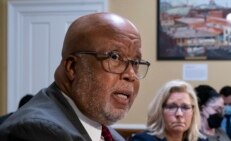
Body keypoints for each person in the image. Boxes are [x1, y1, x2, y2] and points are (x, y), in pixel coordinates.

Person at [0, 12, 150, 141]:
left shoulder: (106, 131)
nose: (131, 75)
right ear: (72, 67)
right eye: (115, 57)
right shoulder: (37, 131)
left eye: (136, 62)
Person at [130, 80, 205, 141]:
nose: (179, 114)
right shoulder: (143, 140)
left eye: (185, 107)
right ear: (160, 110)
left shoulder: (201, 140)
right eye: (172, 107)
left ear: (193, 112)